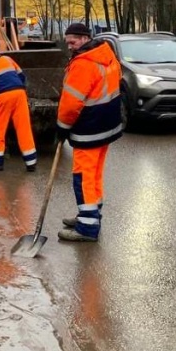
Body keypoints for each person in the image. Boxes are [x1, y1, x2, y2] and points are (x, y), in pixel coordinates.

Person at [56, 23, 122, 242]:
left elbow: (71, 103)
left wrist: (62, 127)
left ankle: (87, 227)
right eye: (68, 43)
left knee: (83, 176)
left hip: (89, 127)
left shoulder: (83, 64)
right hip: (106, 125)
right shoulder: (107, 55)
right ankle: (91, 214)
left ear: (84, 38)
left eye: (73, 42)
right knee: (94, 174)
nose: (70, 47)